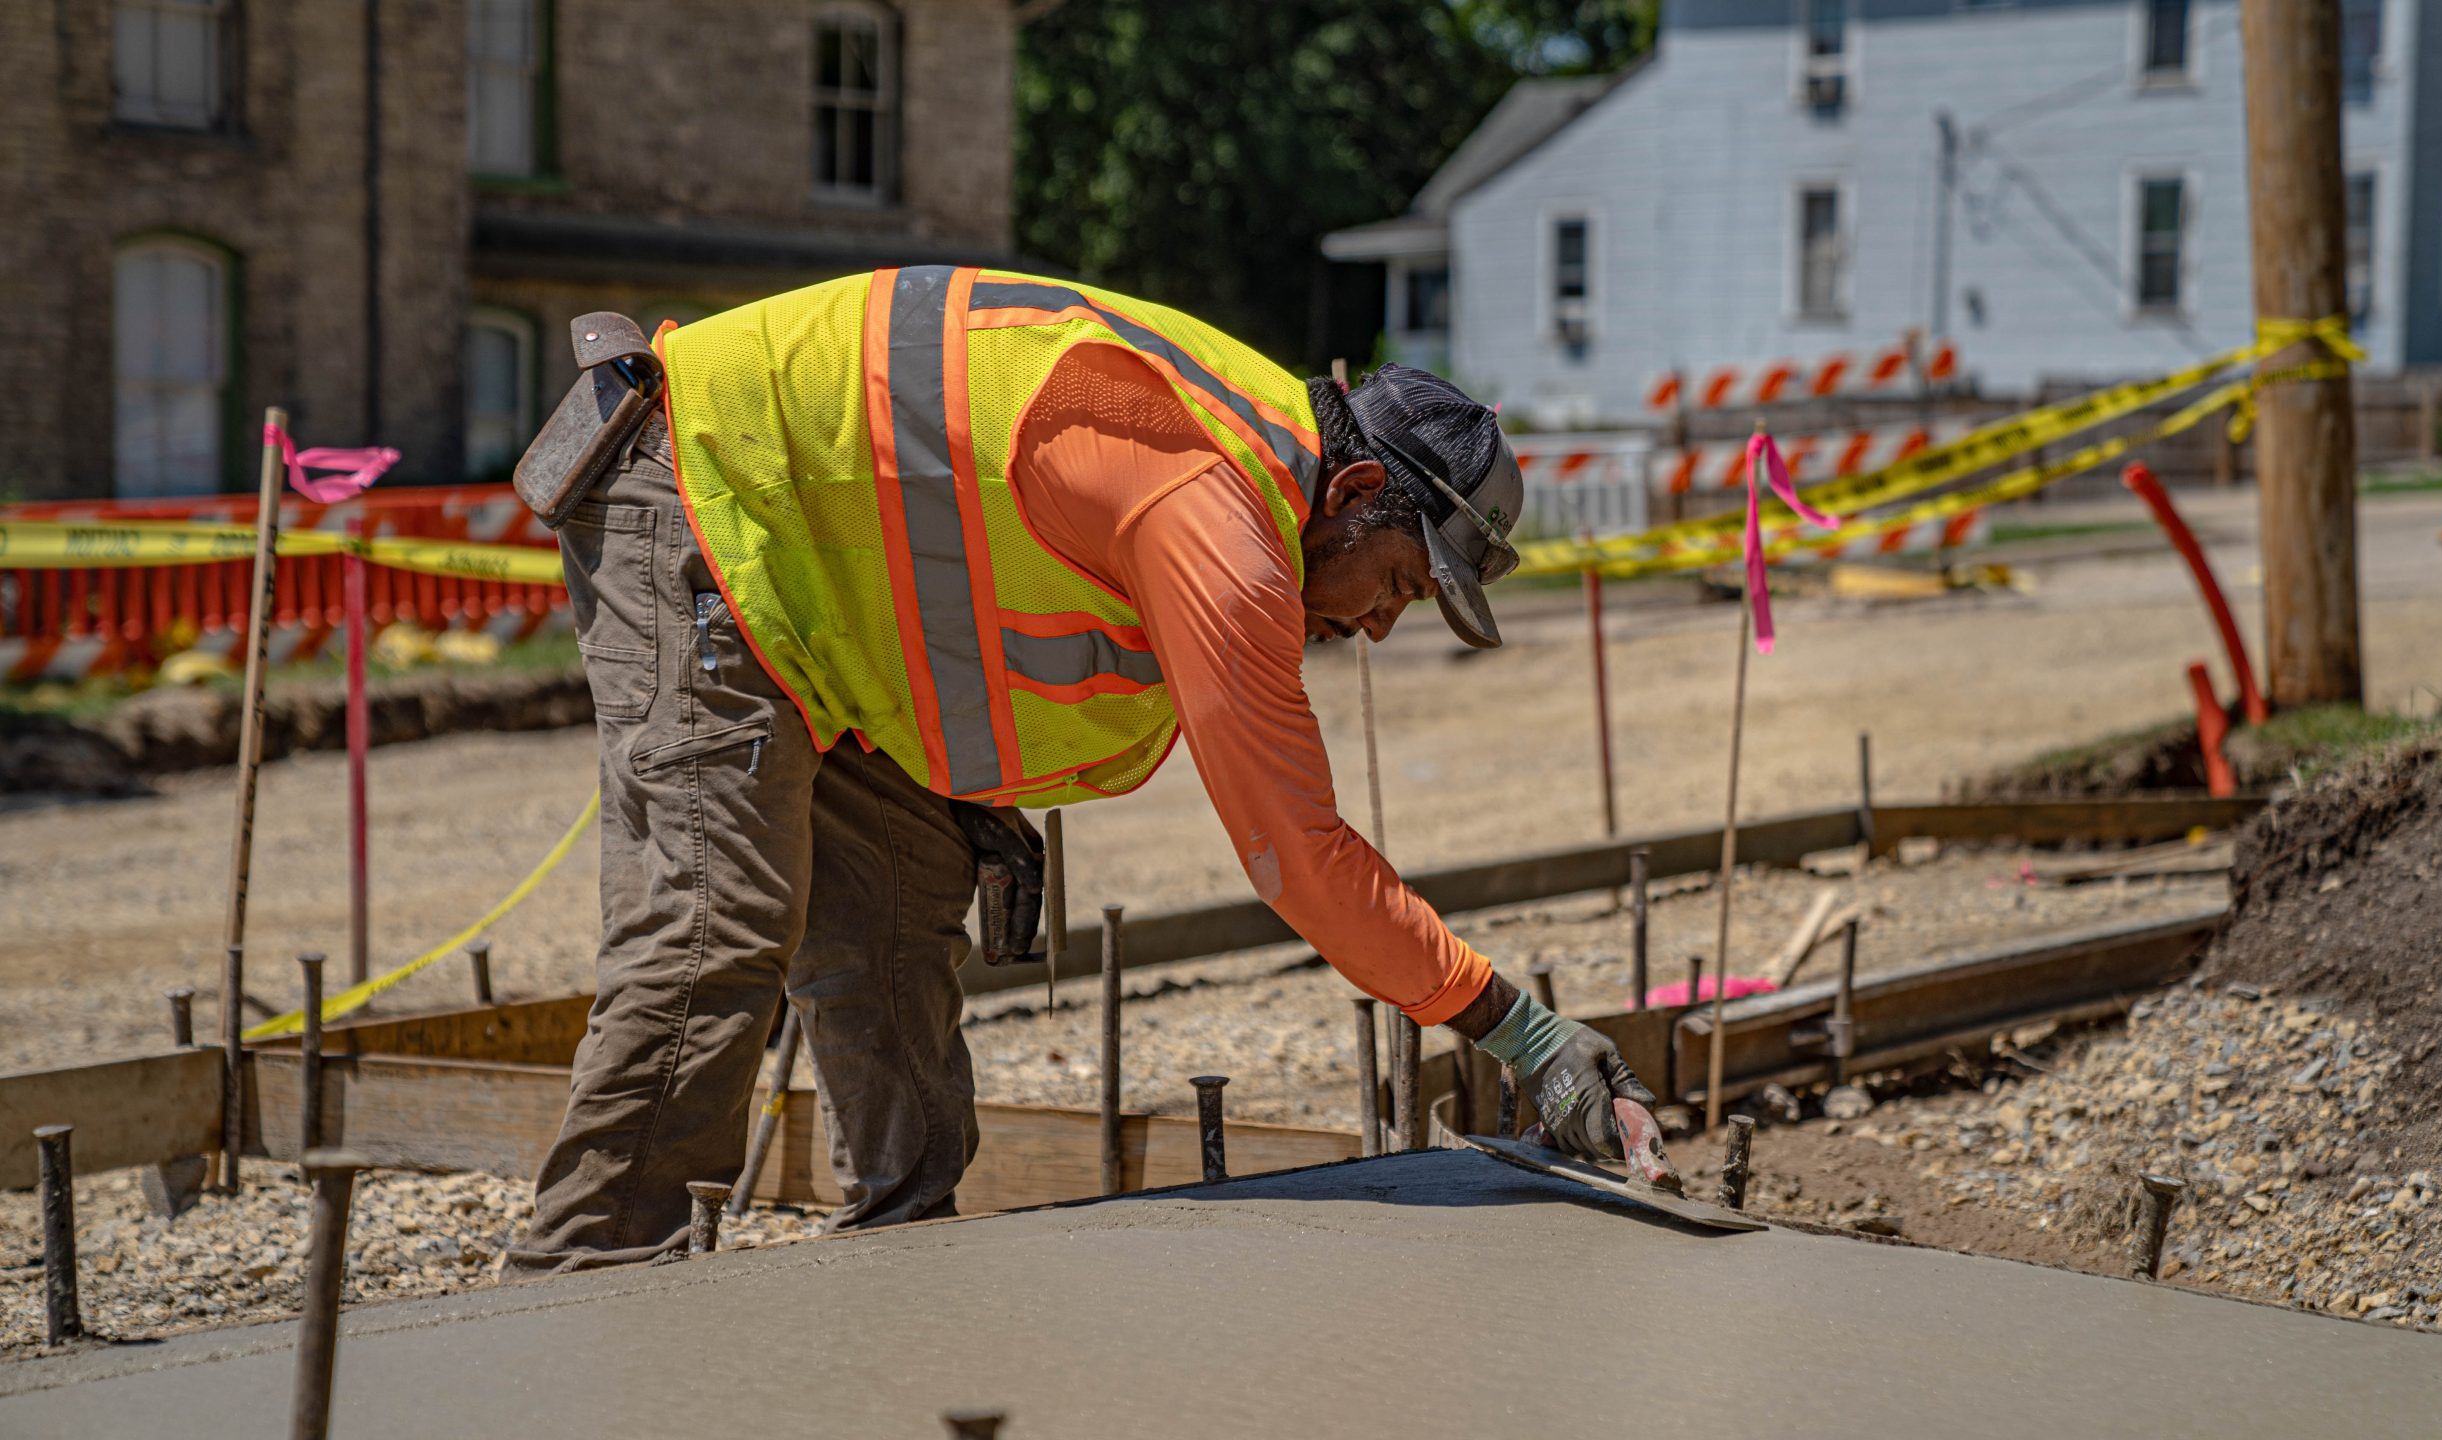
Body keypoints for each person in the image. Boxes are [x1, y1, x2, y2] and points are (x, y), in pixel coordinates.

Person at [502, 265, 1657, 1274]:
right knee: (719, 924)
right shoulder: (1216, 512)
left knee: (899, 915)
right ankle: (585, 1292)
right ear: (1356, 497)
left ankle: (897, 1278)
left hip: (835, 614)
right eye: (1402, 584)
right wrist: (1526, 1035)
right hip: (709, 493)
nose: (1382, 625)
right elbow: (1297, 856)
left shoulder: (1248, 456)